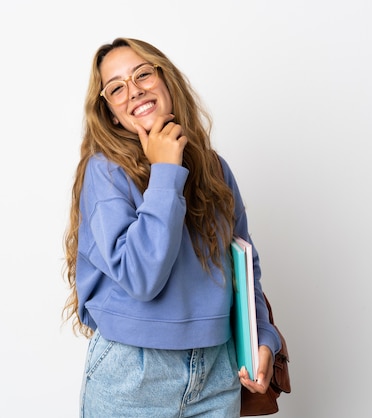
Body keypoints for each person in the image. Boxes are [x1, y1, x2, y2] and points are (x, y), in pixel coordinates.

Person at [62, 37, 282, 417]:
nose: (134, 91)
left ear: (166, 80)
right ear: (112, 113)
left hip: (218, 372)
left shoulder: (214, 169)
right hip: (133, 376)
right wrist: (165, 172)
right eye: (116, 88)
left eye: (142, 74)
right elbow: (142, 278)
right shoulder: (105, 173)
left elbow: (244, 266)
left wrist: (261, 336)